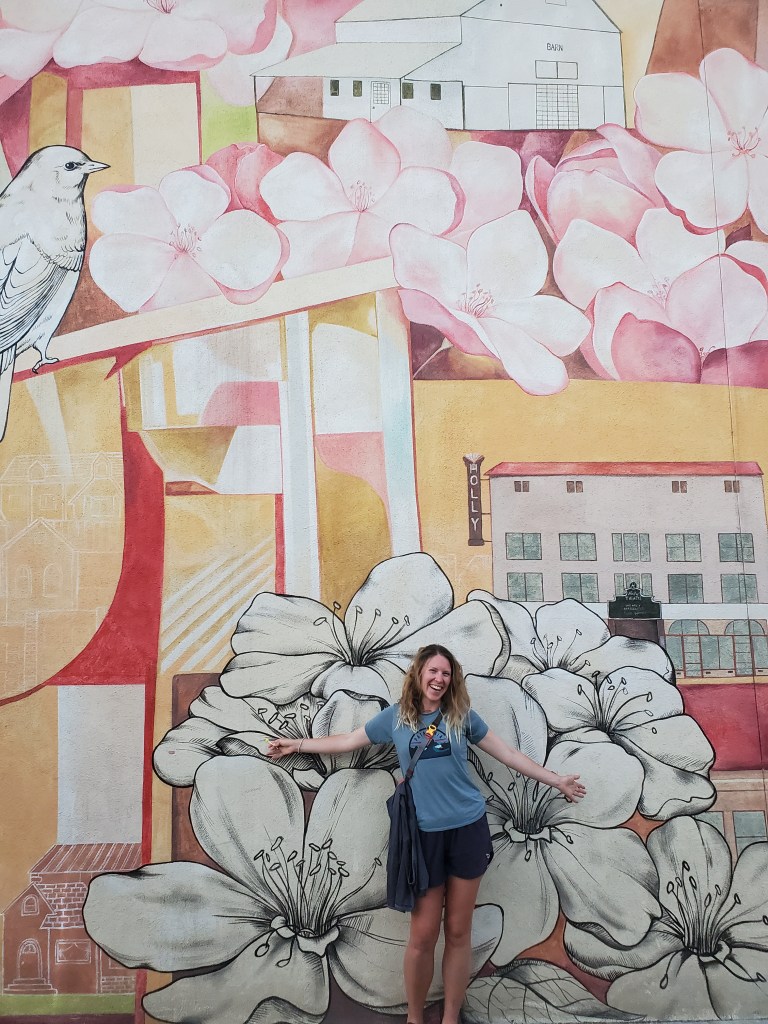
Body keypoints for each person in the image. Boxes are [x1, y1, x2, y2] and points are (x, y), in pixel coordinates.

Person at [267, 643, 586, 1024]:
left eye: (446, 673)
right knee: (422, 936)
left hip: (467, 830)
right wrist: (298, 745)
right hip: (423, 838)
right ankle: (415, 1018)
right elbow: (349, 740)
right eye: (433, 671)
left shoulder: (461, 717)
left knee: (458, 932)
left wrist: (556, 780)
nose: (439, 679)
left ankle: (450, 1017)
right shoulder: (396, 718)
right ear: (418, 675)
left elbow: (509, 755)